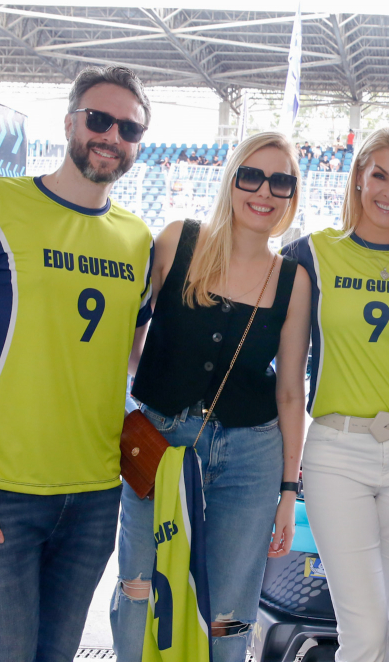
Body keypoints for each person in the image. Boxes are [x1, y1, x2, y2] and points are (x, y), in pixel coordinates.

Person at [0, 66, 155, 662]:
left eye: (128, 128)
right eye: (99, 119)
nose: (111, 136)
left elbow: (132, 359)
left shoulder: (138, 240)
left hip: (95, 497)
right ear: (70, 121)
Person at [110, 132, 310, 661]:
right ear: (231, 179)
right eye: (252, 175)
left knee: (228, 609)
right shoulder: (179, 241)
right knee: (138, 584)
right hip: (160, 442)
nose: (264, 191)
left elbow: (291, 391)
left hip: (249, 457)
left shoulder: (293, 279)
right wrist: (148, 404)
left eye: (281, 181)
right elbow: (127, 344)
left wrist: (289, 490)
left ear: (293, 194)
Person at [282, 126, 389, 662]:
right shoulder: (311, 253)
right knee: (366, 624)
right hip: (337, 449)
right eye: (379, 175)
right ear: (358, 178)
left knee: (385, 617)